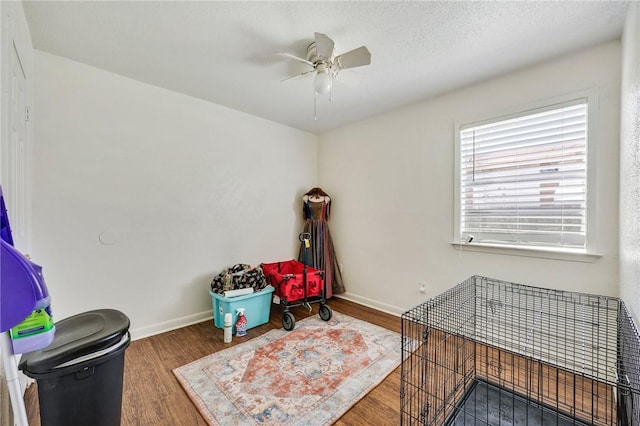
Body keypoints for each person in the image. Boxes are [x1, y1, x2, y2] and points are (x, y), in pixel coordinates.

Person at [298, 187, 345, 297]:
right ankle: (310, 289)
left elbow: (325, 216)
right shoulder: (306, 198)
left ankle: (323, 288)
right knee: (308, 255)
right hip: (309, 228)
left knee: (324, 255)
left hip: (322, 229)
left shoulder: (326, 199)